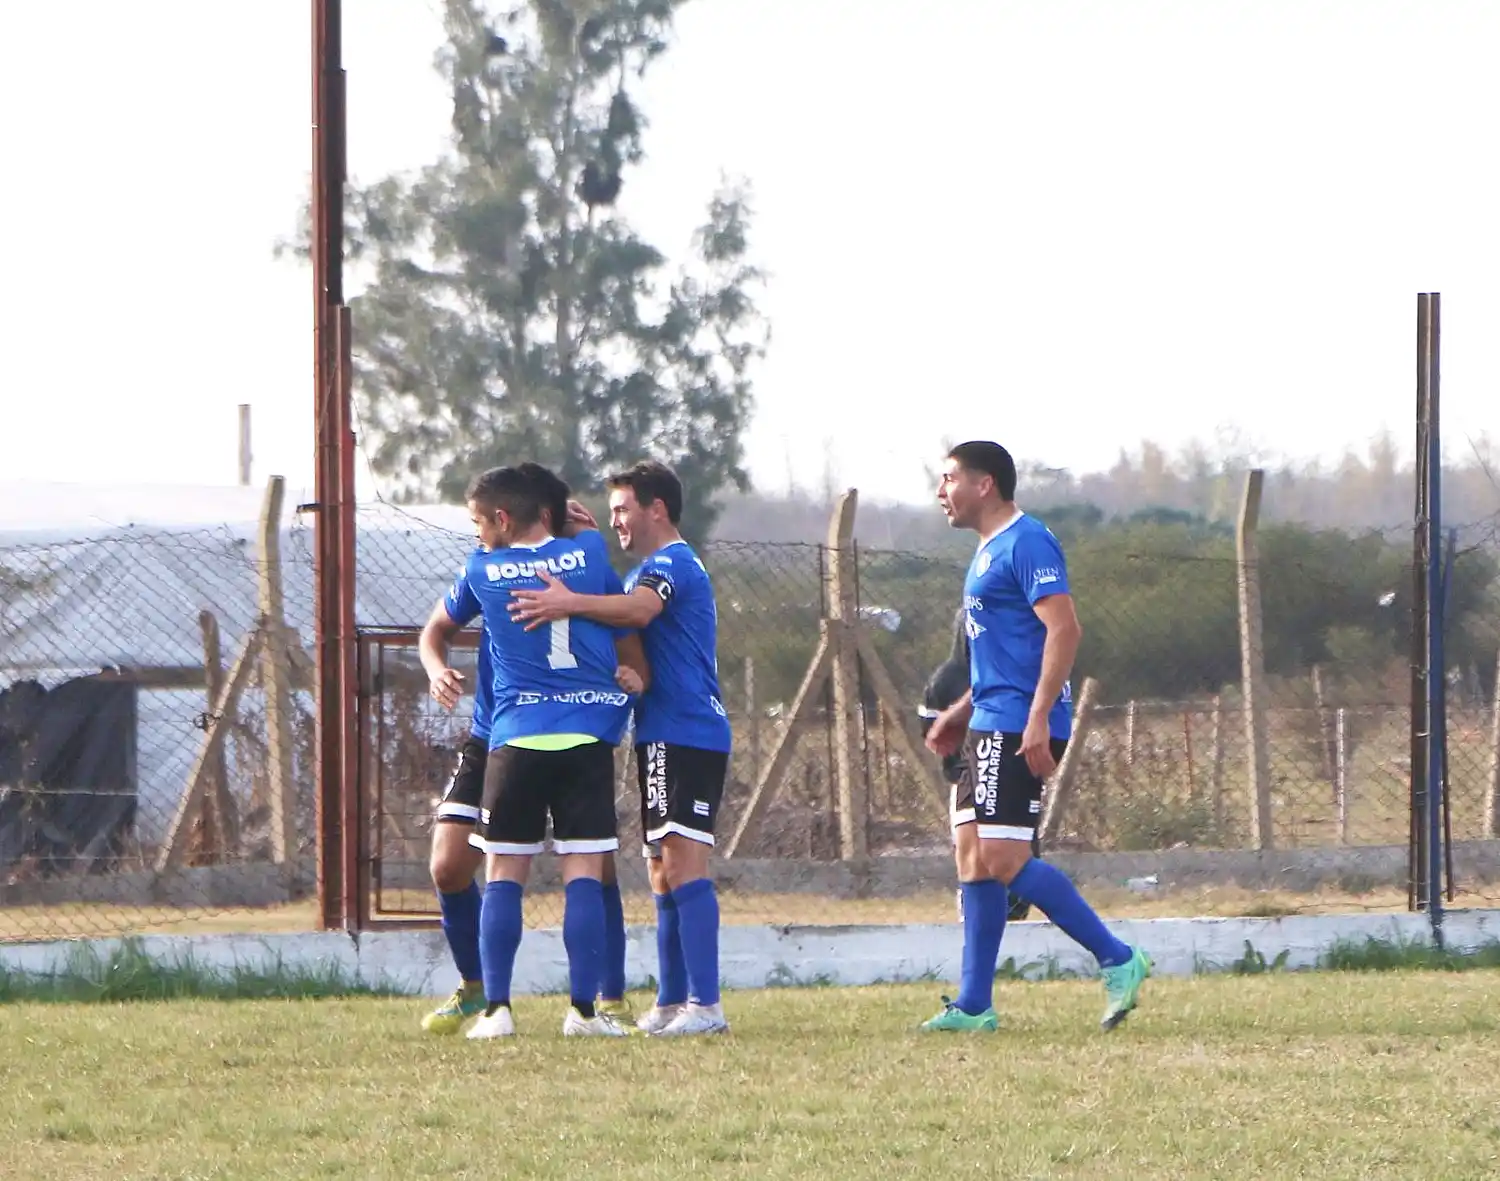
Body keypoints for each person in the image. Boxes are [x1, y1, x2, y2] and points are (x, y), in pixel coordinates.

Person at [923, 441, 1151, 1033]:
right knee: (973, 857)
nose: (940, 492)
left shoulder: (1027, 542)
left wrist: (1037, 718)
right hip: (988, 718)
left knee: (1003, 859)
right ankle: (974, 1006)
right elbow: (1008, 654)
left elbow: (1064, 630)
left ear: (986, 484)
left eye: (949, 479)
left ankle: (1119, 958)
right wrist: (959, 712)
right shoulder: (985, 553)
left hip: (1017, 723)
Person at [420, 465, 648, 1039]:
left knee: (504, 874)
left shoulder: (483, 570)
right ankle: (584, 1012)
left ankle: (497, 1010)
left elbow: (461, 603)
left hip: (516, 735)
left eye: (479, 522)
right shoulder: (591, 556)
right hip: (583, 737)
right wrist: (582, 532)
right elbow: (596, 561)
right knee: (583, 874)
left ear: (502, 518)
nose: (475, 534)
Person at [510, 460, 731, 1037]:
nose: (617, 522)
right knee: (661, 870)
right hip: (659, 732)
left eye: (624, 510)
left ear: (657, 508)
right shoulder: (645, 568)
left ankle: (707, 1007)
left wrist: (568, 603)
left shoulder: (672, 564)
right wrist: (579, 538)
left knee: (684, 862)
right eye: (609, 514)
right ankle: (671, 1000)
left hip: (690, 731)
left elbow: (638, 612)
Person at [916, 605, 1035, 926]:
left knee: (1015, 854)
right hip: (964, 777)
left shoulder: (1009, 670)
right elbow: (931, 731)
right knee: (972, 858)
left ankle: (1017, 911)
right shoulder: (946, 679)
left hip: (1010, 776)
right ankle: (973, 919)